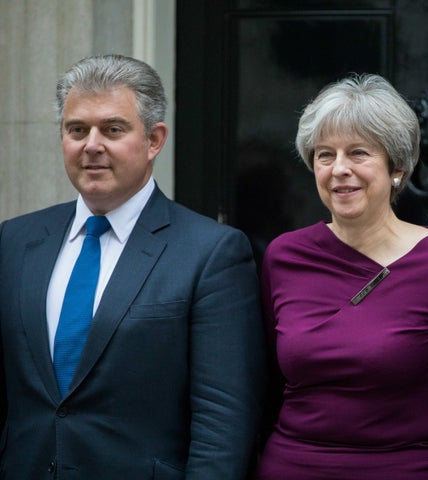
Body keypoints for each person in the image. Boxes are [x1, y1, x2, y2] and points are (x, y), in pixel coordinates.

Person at [0, 54, 266, 478]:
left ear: (154, 139)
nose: (91, 145)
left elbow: (224, 423)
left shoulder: (211, 253)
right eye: (76, 129)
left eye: (113, 129)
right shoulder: (14, 241)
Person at [255, 74, 428, 480]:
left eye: (359, 153)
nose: (339, 170)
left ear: (397, 167)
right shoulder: (283, 257)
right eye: (325, 155)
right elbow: (264, 389)